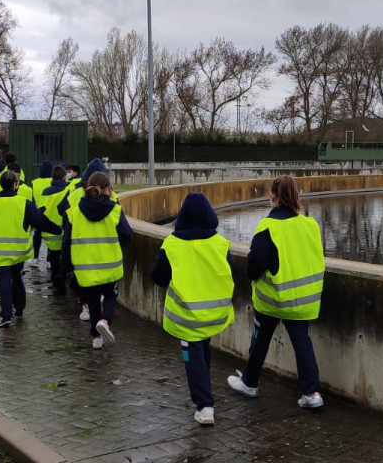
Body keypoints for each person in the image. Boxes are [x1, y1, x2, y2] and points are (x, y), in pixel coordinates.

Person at [227, 175, 325, 409]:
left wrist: (252, 274)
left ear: (273, 197)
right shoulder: (310, 225)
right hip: (303, 300)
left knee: (260, 340)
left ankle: (249, 383)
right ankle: (312, 394)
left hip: (272, 298)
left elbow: (255, 264)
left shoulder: (268, 227)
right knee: (303, 344)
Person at [149, 193, 236, 426]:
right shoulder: (220, 243)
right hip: (214, 313)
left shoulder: (172, 244)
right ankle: (205, 393)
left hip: (186, 315)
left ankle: (205, 405)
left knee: (193, 355)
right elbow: (233, 272)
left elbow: (157, 277)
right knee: (203, 349)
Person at [0, 170, 61, 328]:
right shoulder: (23, 203)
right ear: (16, 185)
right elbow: (39, 220)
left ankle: (5, 314)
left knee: (3, 278)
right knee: (17, 276)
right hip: (18, 249)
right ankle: (20, 308)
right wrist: (57, 229)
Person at [60, 172, 133, 348]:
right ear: (107, 189)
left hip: (85, 268)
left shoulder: (75, 213)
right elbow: (127, 234)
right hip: (110, 265)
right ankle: (105, 321)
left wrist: (64, 268)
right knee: (110, 294)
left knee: (93, 301)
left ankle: (96, 338)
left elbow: (67, 241)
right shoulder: (114, 210)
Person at [39, 166, 73, 294]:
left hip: (51, 232)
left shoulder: (46, 191)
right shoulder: (68, 190)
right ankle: (65, 282)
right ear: (65, 177)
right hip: (66, 232)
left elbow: (41, 210)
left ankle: (55, 284)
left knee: (53, 259)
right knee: (66, 260)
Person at [30, 159, 55, 260]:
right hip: (51, 213)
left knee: (37, 237)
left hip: (38, 213)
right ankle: (49, 259)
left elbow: (32, 199)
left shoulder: (35, 183)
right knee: (52, 238)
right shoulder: (54, 182)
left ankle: (35, 257)